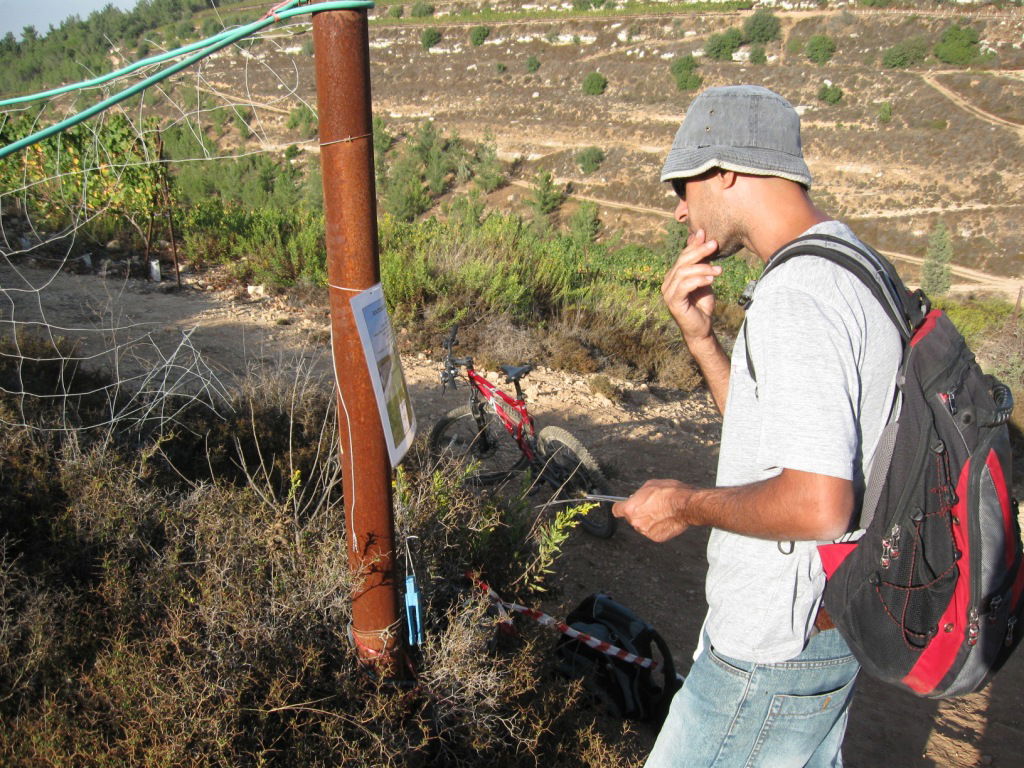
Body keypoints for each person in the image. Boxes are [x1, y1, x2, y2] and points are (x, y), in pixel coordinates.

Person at [613, 85, 903, 767]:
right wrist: (703, 342)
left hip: (771, 655)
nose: (682, 208)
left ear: (726, 170)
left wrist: (684, 504)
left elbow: (818, 502)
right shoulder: (852, 264)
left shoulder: (798, 295)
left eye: (684, 186)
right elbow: (783, 446)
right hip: (825, 631)